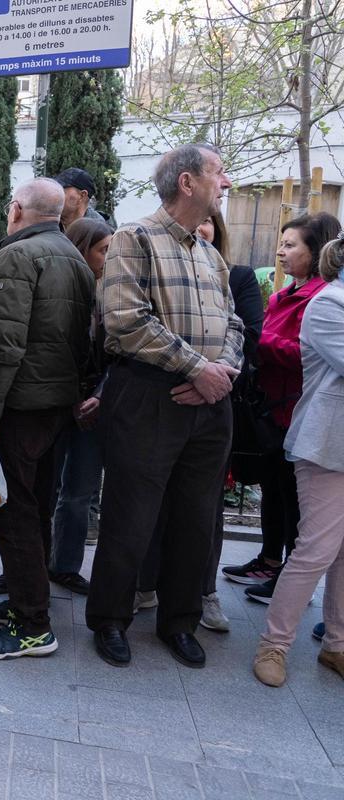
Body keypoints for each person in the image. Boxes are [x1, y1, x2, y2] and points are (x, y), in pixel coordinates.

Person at [86, 143, 242, 669]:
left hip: (209, 401)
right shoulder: (135, 239)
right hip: (149, 395)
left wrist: (220, 374)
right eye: (218, 173)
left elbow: (235, 325)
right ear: (187, 182)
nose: (226, 182)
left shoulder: (212, 256)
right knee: (131, 516)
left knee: (196, 520)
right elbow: (126, 322)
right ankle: (109, 620)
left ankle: (179, 622)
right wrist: (197, 368)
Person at [0, 179, 95, 659]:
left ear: (15, 208)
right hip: (55, 406)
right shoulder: (74, 257)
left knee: (13, 514)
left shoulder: (18, 257)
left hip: (20, 408)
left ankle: (33, 626)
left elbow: (1, 345)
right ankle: (26, 602)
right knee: (35, 510)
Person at [136, 211, 265, 632]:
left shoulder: (235, 273)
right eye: (199, 221)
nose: (203, 228)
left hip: (218, 399)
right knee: (153, 503)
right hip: (163, 394)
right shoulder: (152, 255)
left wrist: (216, 377)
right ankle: (146, 584)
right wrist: (196, 371)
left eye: (211, 222)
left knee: (202, 512)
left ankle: (200, 594)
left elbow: (243, 330)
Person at [222, 213, 339, 603]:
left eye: (291, 245)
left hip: (296, 411)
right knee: (274, 489)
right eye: (281, 243)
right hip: (270, 409)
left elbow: (309, 354)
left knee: (293, 499)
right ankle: (269, 559)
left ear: (318, 250)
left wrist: (262, 342)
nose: (280, 251)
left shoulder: (322, 299)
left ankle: (289, 576)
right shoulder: (284, 293)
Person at [253, 235, 344, 686]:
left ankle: (337, 646)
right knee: (315, 550)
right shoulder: (329, 303)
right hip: (327, 445)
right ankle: (274, 645)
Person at [44, 217, 114, 597]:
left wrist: (99, 395)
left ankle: (65, 565)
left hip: (93, 405)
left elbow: (116, 354)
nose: (108, 258)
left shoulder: (113, 292)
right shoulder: (59, 285)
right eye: (103, 250)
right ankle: (29, 564)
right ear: (82, 248)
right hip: (56, 402)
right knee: (44, 488)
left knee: (79, 492)